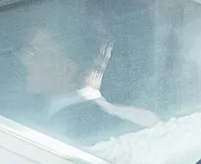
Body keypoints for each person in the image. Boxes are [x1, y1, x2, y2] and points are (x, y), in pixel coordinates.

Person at [18, 18, 159, 142]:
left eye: (33, 54)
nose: (22, 60)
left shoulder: (53, 135)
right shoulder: (143, 119)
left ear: (65, 68)